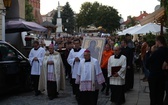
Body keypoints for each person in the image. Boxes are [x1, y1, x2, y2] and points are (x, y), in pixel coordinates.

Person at [146, 35, 168, 105]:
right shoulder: (166, 50)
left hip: (154, 75)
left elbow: (147, 63)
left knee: (153, 94)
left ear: (158, 42)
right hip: (163, 75)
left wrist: (149, 52)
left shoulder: (156, 52)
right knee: (160, 94)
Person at [67, 39, 85, 103]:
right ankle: (76, 94)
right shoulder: (72, 51)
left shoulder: (83, 51)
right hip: (74, 69)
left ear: (80, 44)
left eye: (77, 43)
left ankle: (81, 94)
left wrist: (80, 59)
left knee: (80, 82)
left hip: (81, 69)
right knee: (75, 83)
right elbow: (69, 59)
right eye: (75, 43)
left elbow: (86, 59)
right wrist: (74, 60)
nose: (76, 44)